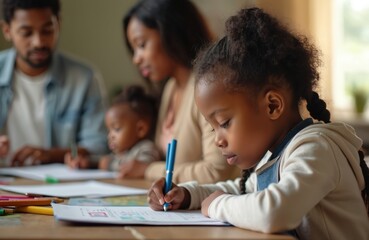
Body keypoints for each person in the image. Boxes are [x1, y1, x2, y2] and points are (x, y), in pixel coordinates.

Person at [147, 7, 369, 240]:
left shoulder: (315, 149)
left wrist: (217, 205)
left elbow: (276, 211)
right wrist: (187, 194)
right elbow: (240, 189)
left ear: (272, 106)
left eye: (224, 123)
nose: (218, 140)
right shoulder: (274, 155)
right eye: (213, 128)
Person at [122, 0, 239, 183]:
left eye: (142, 45)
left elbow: (216, 171)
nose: (136, 59)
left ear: (171, 33)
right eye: (134, 49)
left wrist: (149, 170)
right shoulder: (170, 88)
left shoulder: (208, 89)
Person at [0, 0, 108, 167]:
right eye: (26, 33)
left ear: (59, 24)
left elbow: (98, 147)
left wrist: (50, 155)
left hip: (60, 187)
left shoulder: (84, 78)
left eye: (47, 30)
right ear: (7, 30)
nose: (38, 42)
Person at [66, 85, 160, 178]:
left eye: (116, 129)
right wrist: (87, 162)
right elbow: (105, 160)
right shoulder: (123, 152)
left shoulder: (147, 149)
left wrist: (107, 164)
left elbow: (138, 168)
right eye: (109, 130)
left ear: (140, 129)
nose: (110, 136)